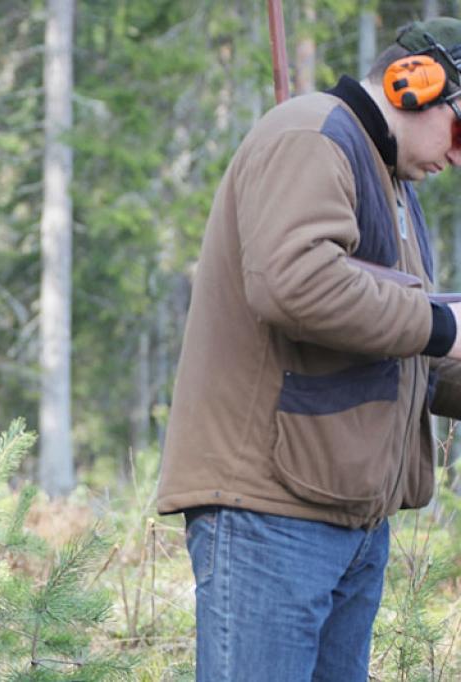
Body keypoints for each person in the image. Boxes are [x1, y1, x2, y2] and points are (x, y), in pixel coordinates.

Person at [157, 17, 461, 681]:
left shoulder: (391, 182)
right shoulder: (311, 134)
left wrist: (443, 338)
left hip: (347, 516)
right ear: (412, 84)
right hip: (271, 513)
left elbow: (404, 346)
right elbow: (295, 284)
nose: (459, 157)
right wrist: (445, 327)